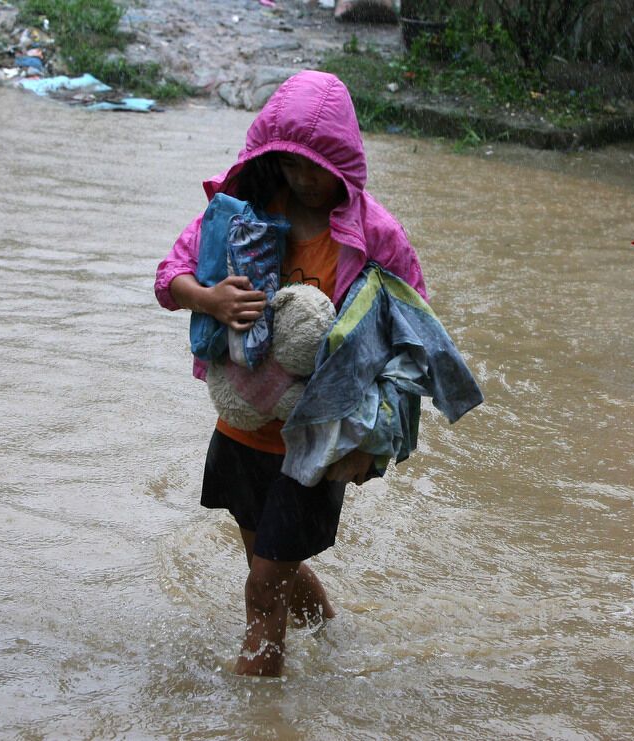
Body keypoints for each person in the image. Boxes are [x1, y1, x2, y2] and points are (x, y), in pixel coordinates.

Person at [155, 70, 428, 676]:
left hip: (319, 437)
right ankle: (331, 634)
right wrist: (211, 300)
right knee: (266, 561)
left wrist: (373, 445)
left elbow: (412, 341)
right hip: (244, 427)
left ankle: (255, 694)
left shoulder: (375, 236)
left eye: (318, 167)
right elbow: (169, 276)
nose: (305, 179)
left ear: (345, 164)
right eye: (292, 164)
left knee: (263, 582)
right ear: (270, 157)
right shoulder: (241, 215)